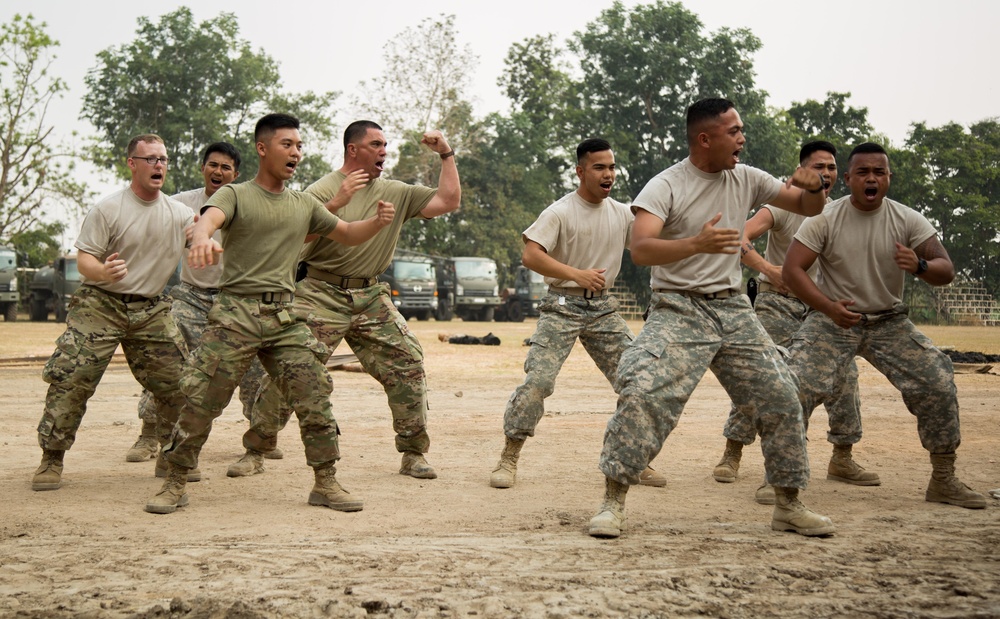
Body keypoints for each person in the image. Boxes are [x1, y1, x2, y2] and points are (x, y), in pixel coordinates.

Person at [588, 98, 836, 539]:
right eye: (734, 131)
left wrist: (812, 185)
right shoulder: (665, 185)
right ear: (705, 138)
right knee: (644, 390)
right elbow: (641, 248)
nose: (743, 138)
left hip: (733, 307)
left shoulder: (748, 178)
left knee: (781, 393)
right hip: (678, 306)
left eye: (741, 130)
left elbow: (808, 206)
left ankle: (788, 504)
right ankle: (612, 501)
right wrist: (695, 244)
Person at [145, 113, 396, 514]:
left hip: (284, 317)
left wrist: (376, 223)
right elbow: (208, 220)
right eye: (287, 145)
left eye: (299, 146)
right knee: (201, 398)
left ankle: (325, 482)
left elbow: (346, 234)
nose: (296, 152)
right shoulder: (236, 195)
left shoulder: (303, 203)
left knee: (314, 394)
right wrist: (201, 238)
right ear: (263, 149)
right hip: (236, 313)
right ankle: (175, 480)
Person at [227, 120, 460, 481]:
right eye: (376, 144)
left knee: (408, 361)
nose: (385, 151)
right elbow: (293, 240)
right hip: (321, 291)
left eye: (386, 145)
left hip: (370, 295)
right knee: (293, 367)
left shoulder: (396, 192)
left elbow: (448, 200)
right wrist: (337, 203)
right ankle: (257, 448)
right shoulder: (320, 190)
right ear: (353, 150)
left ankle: (413, 453)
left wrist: (445, 153)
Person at [782, 142, 987, 510]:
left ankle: (943, 479)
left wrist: (920, 266)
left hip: (889, 322)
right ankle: (781, 481)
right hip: (833, 320)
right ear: (848, 179)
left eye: (879, 172)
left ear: (889, 178)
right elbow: (792, 269)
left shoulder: (908, 219)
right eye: (863, 172)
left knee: (937, 380)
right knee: (795, 386)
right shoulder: (825, 218)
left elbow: (946, 269)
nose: (872, 178)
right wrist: (828, 307)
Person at [488, 138, 666, 490]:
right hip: (563, 305)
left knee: (638, 382)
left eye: (612, 167)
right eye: (599, 167)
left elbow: (648, 245)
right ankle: (509, 457)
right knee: (538, 382)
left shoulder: (621, 213)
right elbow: (531, 255)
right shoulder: (560, 212)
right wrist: (575, 273)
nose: (608, 174)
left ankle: (636, 458)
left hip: (603, 308)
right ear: (581, 171)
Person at [713, 141, 877, 504]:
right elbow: (741, 236)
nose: (827, 173)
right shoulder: (782, 206)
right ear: (803, 171)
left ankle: (843, 458)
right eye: (819, 166)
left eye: (832, 167)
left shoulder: (840, 213)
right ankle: (733, 451)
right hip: (776, 303)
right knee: (758, 374)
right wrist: (769, 267)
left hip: (820, 309)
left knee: (845, 376)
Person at [31, 134, 195, 491]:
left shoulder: (180, 214)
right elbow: (86, 258)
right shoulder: (109, 208)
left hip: (150, 308)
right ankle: (51, 458)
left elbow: (204, 237)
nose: (158, 165)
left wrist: (208, 241)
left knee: (179, 383)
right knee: (71, 379)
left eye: (163, 159)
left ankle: (171, 455)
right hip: (101, 304)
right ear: (131, 163)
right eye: (150, 159)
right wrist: (102, 271)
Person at [126, 142, 280, 473]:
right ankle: (149, 432)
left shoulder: (249, 203)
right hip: (192, 295)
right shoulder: (182, 203)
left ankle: (261, 438)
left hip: (238, 298)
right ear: (203, 168)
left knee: (255, 368)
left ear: (236, 175)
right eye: (213, 165)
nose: (218, 172)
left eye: (226, 168)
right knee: (169, 358)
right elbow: (151, 225)